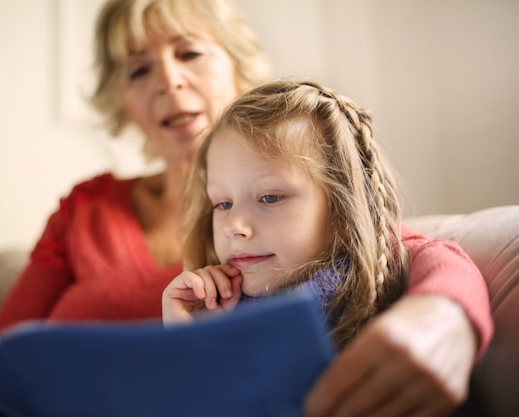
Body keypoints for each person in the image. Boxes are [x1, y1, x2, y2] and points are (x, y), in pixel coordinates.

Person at [0, 1, 491, 416]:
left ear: (235, 62)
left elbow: (394, 251)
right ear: (122, 99)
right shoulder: (85, 208)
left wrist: (446, 317)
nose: (168, 82)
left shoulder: (303, 201)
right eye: (140, 68)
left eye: (189, 53)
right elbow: (1, 350)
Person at [162, 79, 477, 416]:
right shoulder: (218, 303)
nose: (233, 227)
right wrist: (189, 341)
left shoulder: (379, 273)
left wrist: (440, 313)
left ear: (342, 208)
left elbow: (443, 265)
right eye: (222, 204)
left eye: (270, 197)